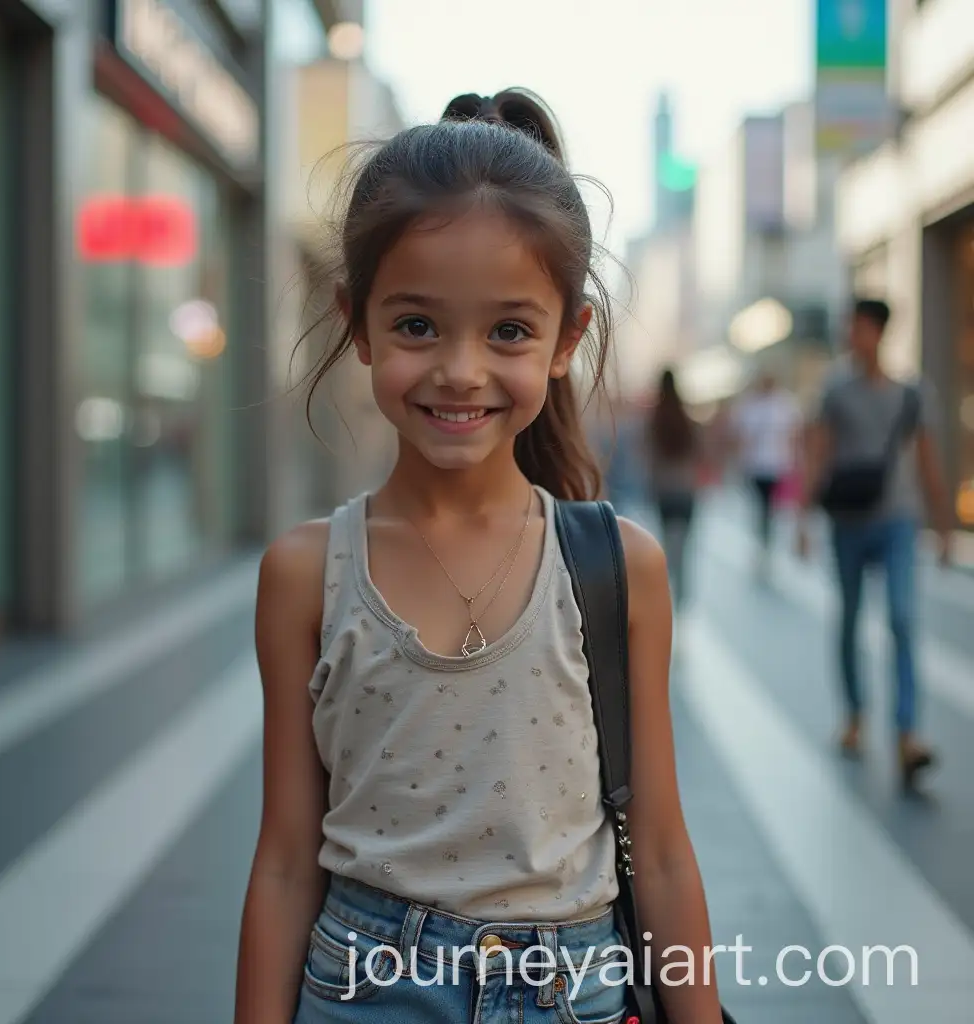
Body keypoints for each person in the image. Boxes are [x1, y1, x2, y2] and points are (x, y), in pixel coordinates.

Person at [234, 90, 724, 1024]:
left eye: (507, 330)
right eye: (418, 325)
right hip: (363, 988)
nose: (460, 369)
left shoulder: (621, 566)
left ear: (565, 340)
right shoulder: (306, 573)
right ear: (359, 322)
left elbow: (658, 847)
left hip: (573, 991)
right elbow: (288, 857)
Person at [797, 297, 952, 791]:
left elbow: (928, 459)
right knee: (848, 617)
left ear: (879, 332)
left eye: (859, 327)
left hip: (898, 520)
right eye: (849, 326)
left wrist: (943, 524)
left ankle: (907, 734)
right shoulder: (835, 388)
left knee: (903, 619)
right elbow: (819, 451)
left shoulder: (911, 392)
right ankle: (854, 714)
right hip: (847, 520)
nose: (852, 335)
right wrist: (802, 515)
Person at [732, 371, 802, 579]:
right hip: (755, 467)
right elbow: (742, 436)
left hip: (777, 467)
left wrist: (794, 463)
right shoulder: (751, 405)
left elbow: (793, 435)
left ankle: (767, 548)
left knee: (770, 511)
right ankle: (761, 546)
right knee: (760, 510)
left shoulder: (785, 404)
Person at [645, 367, 701, 607]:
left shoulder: (655, 420)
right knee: (684, 548)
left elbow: (648, 457)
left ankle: (667, 596)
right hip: (686, 490)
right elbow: (698, 452)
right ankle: (681, 600)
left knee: (668, 543)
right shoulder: (687, 418)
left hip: (663, 491)